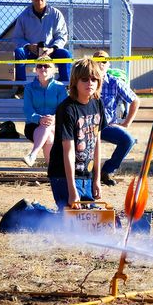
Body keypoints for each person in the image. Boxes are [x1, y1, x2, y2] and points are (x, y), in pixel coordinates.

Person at [48, 57, 106, 211]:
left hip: (86, 175)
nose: (90, 83)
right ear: (75, 82)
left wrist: (97, 179)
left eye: (94, 79)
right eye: (85, 79)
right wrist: (72, 189)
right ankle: (29, 212)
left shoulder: (98, 103)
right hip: (63, 175)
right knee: (68, 219)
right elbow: (68, 150)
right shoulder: (66, 109)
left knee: (90, 218)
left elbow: (96, 142)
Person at [93, 50, 140, 186]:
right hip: (86, 124)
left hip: (107, 126)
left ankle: (106, 170)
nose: (101, 64)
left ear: (108, 65)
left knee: (128, 140)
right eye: (97, 61)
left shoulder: (114, 82)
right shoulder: (85, 80)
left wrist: (126, 124)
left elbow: (135, 100)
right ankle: (82, 174)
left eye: (104, 61)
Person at [13, 0, 72, 86]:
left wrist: (52, 48)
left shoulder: (56, 14)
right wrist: (29, 46)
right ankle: (21, 87)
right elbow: (17, 38)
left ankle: (65, 86)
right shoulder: (23, 16)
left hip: (50, 51)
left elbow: (62, 35)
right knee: (19, 52)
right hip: (31, 53)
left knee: (65, 54)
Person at [22, 55, 67, 167]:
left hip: (55, 125)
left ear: (52, 69)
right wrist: (39, 119)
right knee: (48, 134)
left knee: (49, 131)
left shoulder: (60, 87)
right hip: (32, 125)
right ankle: (52, 173)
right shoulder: (29, 88)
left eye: (46, 66)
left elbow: (64, 109)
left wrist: (54, 119)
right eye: (40, 66)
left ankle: (33, 154)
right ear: (36, 70)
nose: (43, 68)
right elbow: (27, 110)